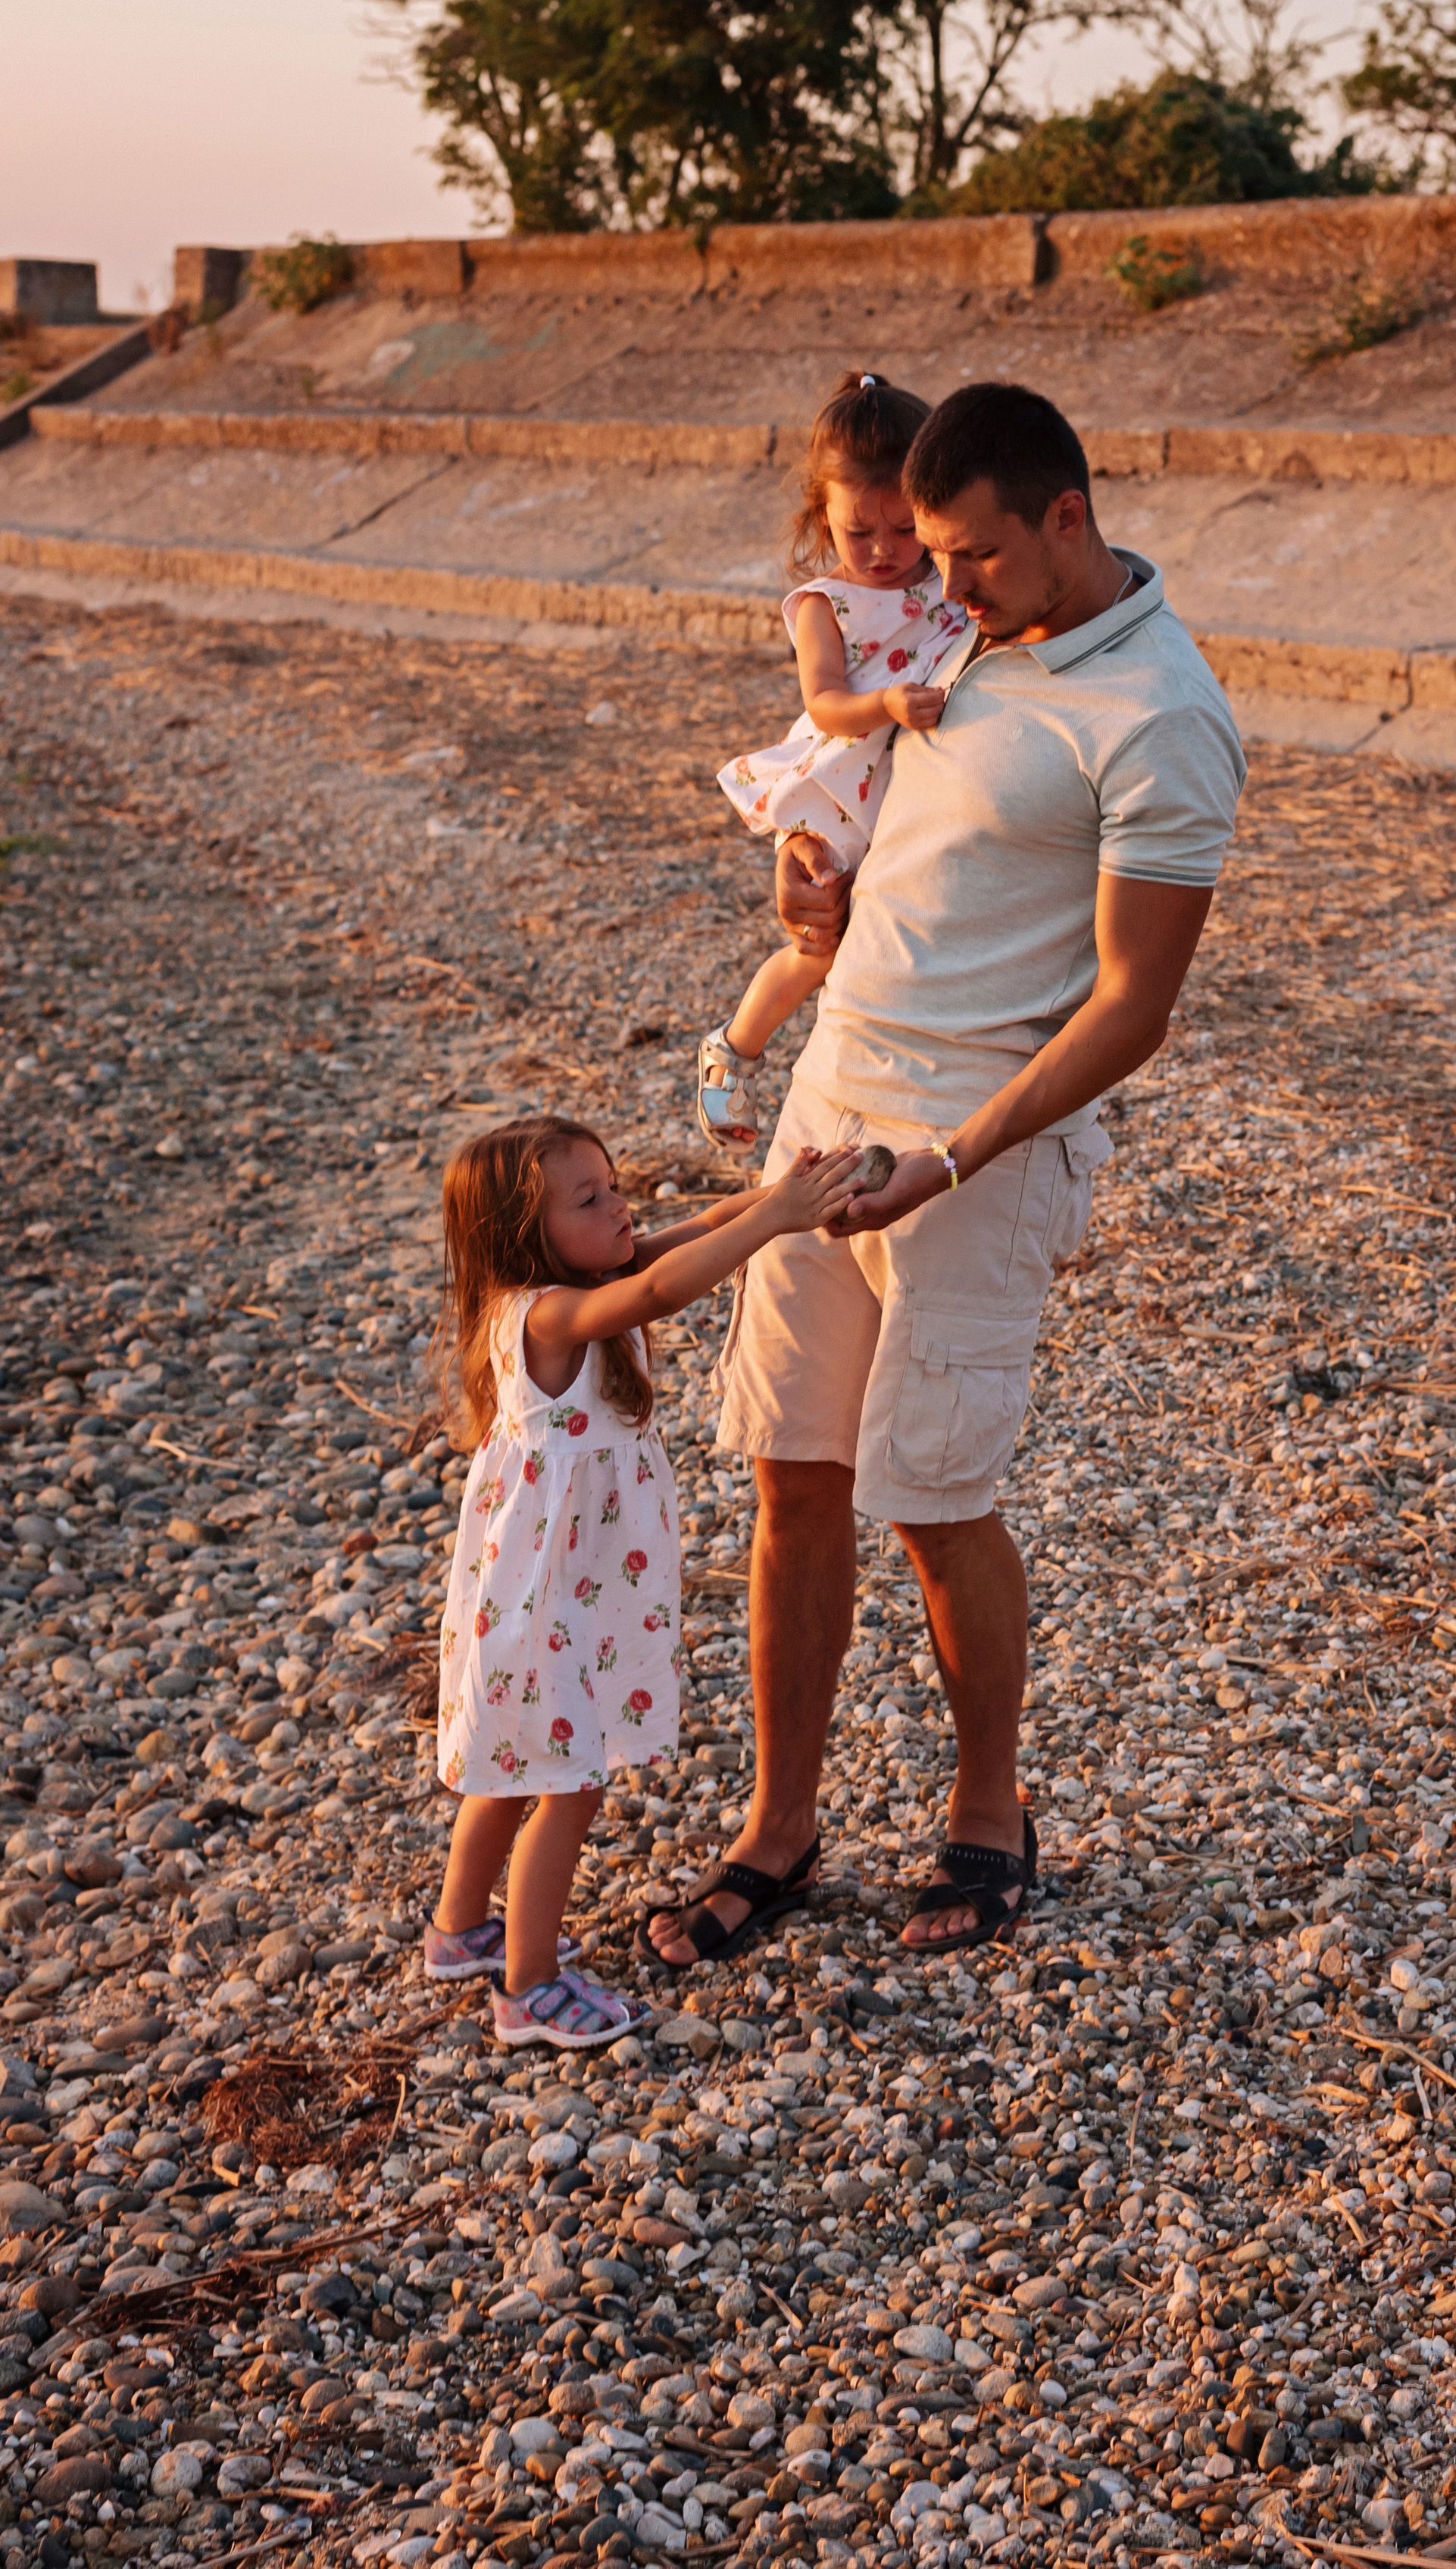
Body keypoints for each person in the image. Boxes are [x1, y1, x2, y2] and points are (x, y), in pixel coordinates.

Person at [645, 382, 1245, 1974]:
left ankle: (990, 1812)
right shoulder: (961, 636)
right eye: (929, 552)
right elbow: (901, 829)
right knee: (792, 1478)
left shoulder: (1162, 714)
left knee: (930, 1496)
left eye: (973, 554)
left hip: (976, 1151)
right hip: (828, 1099)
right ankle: (779, 1826)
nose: (943, 584)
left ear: (1067, 517)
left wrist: (951, 1157)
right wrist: (811, 884)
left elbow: (1134, 1007)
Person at [423, 1111, 859, 2046]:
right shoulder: (546, 1314)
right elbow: (663, 1288)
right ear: (523, 1235)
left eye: (614, 1185)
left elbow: (698, 1229)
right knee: (565, 1781)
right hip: (546, 1594)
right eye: (590, 1200)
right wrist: (779, 1218)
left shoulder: (591, 1278)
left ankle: (458, 1929)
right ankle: (528, 1988)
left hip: (554, 1586)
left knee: (512, 1761)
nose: (620, 1208)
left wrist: (786, 1193)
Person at [698, 370, 965, 1150]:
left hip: (902, 790)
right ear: (823, 517)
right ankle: (733, 1050)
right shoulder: (825, 605)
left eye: (904, 528)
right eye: (859, 532)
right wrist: (886, 704)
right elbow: (822, 702)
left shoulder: (948, 581)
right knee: (820, 949)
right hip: (845, 782)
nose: (884, 551)